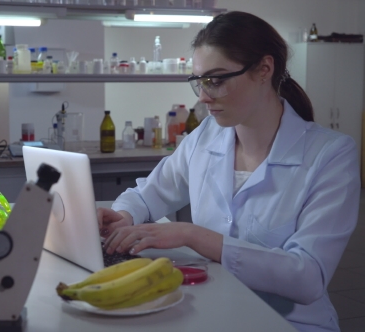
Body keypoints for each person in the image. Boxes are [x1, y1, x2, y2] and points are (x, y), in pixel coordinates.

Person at [98, 11, 359, 332]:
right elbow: (145, 196)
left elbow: (308, 277)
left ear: (264, 69)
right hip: (213, 311)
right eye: (199, 82)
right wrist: (124, 216)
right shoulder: (204, 137)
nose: (205, 96)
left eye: (217, 80)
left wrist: (193, 235)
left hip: (289, 324)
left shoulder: (330, 154)